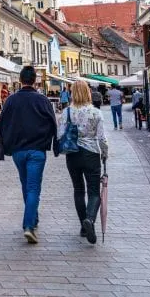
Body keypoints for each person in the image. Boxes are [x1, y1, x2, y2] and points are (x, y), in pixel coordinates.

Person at [0, 66, 58, 244]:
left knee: (26, 186)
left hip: (18, 151)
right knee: (33, 188)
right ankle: (29, 225)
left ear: (20, 80)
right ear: (35, 81)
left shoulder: (11, 100)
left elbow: (2, 124)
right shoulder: (42, 100)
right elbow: (52, 123)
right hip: (37, 150)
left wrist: (5, 147)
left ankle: (33, 218)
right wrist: (52, 143)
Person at [61, 81, 109, 244]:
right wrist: (105, 153)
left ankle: (83, 226)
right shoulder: (95, 112)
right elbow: (102, 138)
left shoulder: (67, 112)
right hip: (91, 153)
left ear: (72, 93)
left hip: (72, 154)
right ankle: (89, 219)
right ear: (88, 92)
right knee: (94, 191)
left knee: (78, 189)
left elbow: (61, 133)